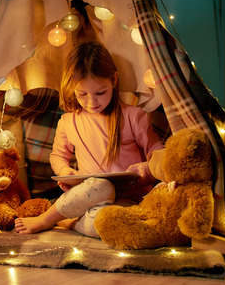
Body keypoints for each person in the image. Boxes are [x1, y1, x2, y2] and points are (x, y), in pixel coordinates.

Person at [14, 41, 164, 237]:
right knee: (101, 187)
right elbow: (58, 156)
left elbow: (158, 150)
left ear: (114, 80)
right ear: (72, 88)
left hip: (131, 201)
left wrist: (148, 168)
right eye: (82, 94)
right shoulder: (68, 121)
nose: (91, 102)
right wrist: (64, 171)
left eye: (100, 93)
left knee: (110, 222)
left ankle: (72, 223)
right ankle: (46, 219)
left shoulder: (133, 116)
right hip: (92, 195)